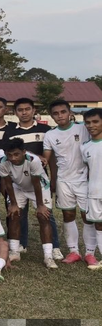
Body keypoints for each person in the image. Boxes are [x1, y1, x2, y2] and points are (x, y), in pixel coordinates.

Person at [3, 97, 62, 259]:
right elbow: (9, 153)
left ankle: (55, 247)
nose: (24, 113)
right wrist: (33, 155)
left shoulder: (45, 130)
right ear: (15, 112)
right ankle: (21, 244)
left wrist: (53, 179)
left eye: (27, 109)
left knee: (45, 213)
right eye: (20, 110)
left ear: (33, 110)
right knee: (19, 213)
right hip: (18, 180)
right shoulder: (10, 132)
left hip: (38, 178)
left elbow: (51, 157)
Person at [43, 99, 97, 265]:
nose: (60, 116)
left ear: (70, 113)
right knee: (68, 215)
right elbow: (46, 158)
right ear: (52, 116)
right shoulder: (50, 135)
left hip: (84, 179)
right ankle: (74, 251)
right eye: (56, 113)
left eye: (63, 112)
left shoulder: (83, 128)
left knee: (87, 217)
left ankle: (90, 253)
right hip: (64, 180)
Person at [0, 139, 57, 269]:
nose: (13, 158)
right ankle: (14, 252)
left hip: (39, 188)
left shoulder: (33, 160)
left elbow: (36, 184)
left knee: (43, 216)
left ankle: (48, 256)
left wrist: (40, 205)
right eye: (9, 155)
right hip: (19, 187)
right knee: (14, 214)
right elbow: (8, 183)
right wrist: (13, 204)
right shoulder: (2, 162)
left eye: (16, 154)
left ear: (24, 152)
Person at [81, 109, 102, 270]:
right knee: (99, 225)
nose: (91, 125)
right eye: (88, 122)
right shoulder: (85, 147)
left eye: (95, 122)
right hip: (94, 192)